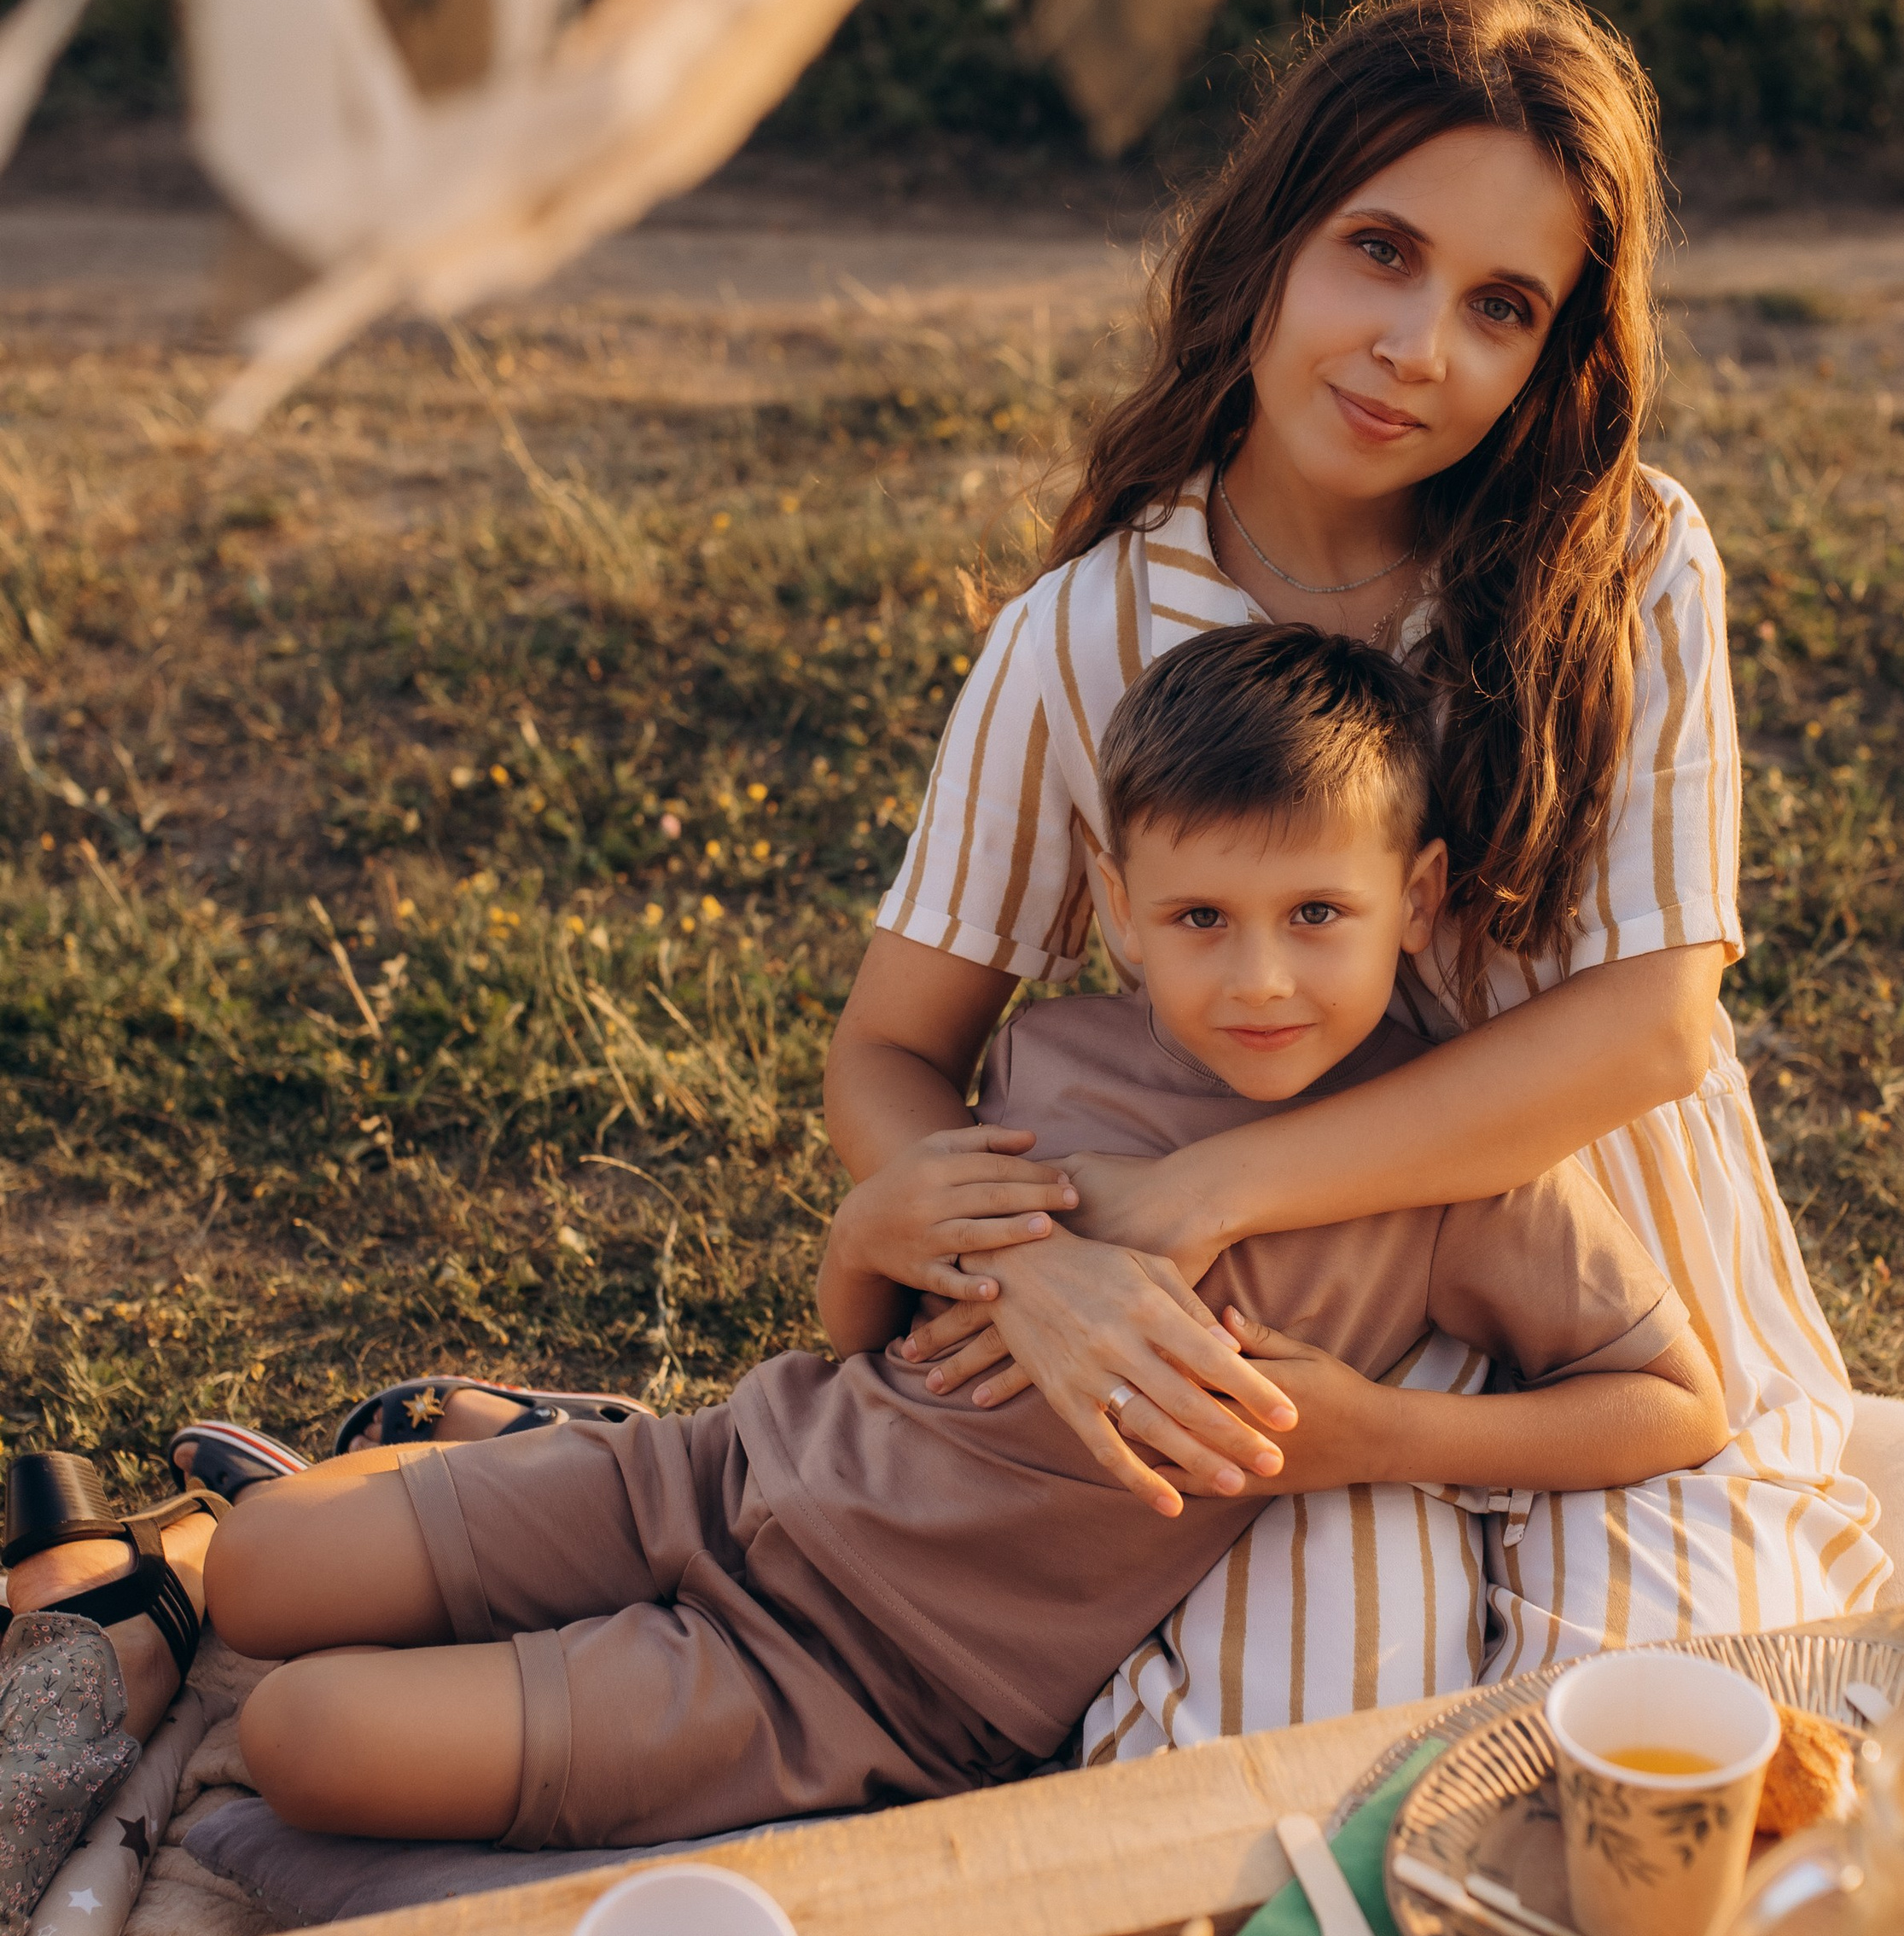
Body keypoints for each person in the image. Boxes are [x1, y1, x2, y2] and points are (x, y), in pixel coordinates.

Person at [1, 629, 1723, 1855]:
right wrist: (870, 1219)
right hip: (724, 1467)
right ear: (1114, 908)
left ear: (1411, 900)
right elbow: (866, 1331)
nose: (1257, 976)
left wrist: (1373, 1433)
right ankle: (520, 1466)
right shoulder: (1055, 1051)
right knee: (269, 1563)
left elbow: (1669, 1399)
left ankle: (448, 1620)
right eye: (1198, 917)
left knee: (301, 1735)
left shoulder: (1450, 1162)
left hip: (848, 1676)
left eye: (1317, 917)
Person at [823, 0, 1886, 1743]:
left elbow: (1648, 1028)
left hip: (1602, 1307)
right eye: (1378, 251)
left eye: (1500, 305)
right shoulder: (1087, 631)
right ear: (1267, 239)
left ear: (1556, 352)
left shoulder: (1617, 572)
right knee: (1279, 1751)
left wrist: (1208, 1190)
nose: (1418, 347)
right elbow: (890, 1049)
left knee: (1656, 1748)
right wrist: (1043, 1264)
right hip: (1262, 1327)